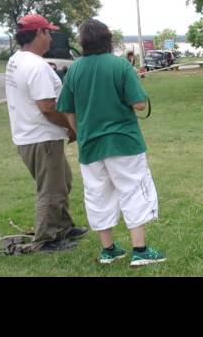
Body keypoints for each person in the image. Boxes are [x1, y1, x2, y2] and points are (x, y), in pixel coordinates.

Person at [57, 19, 166, 267]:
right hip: (123, 143)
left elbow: (67, 109)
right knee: (133, 190)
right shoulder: (120, 65)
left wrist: (80, 133)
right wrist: (135, 80)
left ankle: (109, 250)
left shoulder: (74, 69)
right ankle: (140, 250)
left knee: (98, 195)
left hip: (90, 146)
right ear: (108, 39)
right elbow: (139, 103)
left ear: (83, 41)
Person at [4, 14, 88, 253]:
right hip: (42, 137)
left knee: (63, 182)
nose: (51, 37)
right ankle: (46, 240)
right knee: (51, 190)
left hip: (31, 135)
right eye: (48, 32)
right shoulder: (36, 66)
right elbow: (48, 108)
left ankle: (63, 225)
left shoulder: (17, 59)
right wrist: (71, 127)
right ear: (38, 33)